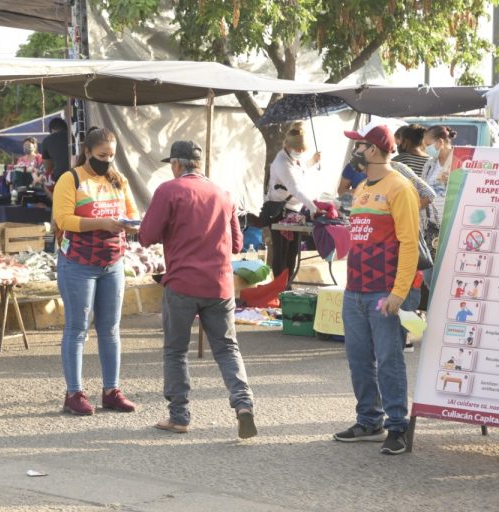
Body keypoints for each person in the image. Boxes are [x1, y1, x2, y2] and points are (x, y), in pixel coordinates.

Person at [139, 140, 257, 439]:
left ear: (176, 164)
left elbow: (147, 235)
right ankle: (243, 404)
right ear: (199, 164)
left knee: (176, 351)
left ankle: (179, 417)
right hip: (219, 285)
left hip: (182, 283)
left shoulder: (169, 190)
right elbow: (237, 244)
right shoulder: (223, 194)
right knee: (227, 349)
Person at [332, 122, 420, 455]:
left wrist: (399, 292)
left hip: (384, 291)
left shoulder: (400, 187)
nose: (354, 151)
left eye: (359, 145)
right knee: (358, 360)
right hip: (355, 289)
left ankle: (397, 427)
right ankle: (369, 420)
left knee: (388, 360)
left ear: (372, 150)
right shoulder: (361, 187)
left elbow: (409, 243)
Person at [52, 127, 139, 416]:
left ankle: (112, 391)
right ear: (87, 152)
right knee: (77, 328)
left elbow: (132, 212)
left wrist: (130, 224)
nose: (107, 161)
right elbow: (64, 219)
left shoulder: (118, 179)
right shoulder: (71, 179)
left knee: (110, 329)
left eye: (111, 156)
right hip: (78, 263)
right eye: (102, 156)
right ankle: (74, 393)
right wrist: (102, 223)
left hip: (112, 263)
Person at [266, 121, 320, 281]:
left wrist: (312, 161)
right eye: (298, 150)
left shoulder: (294, 159)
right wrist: (312, 207)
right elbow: (294, 188)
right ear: (288, 146)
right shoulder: (281, 162)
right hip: (278, 211)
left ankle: (287, 283)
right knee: (281, 251)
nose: (300, 152)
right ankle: (279, 285)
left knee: (293, 251)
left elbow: (301, 169)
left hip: (294, 210)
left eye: (303, 150)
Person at [421, 125, 457, 288]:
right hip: (432, 226)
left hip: (452, 226)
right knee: (429, 276)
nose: (425, 148)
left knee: (449, 275)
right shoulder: (429, 165)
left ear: (440, 142)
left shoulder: (460, 160)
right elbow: (423, 191)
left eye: (428, 144)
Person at [41, 117, 71, 183]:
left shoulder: (47, 140)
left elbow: (48, 167)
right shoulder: (73, 136)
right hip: (79, 175)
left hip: (60, 178)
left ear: (52, 130)